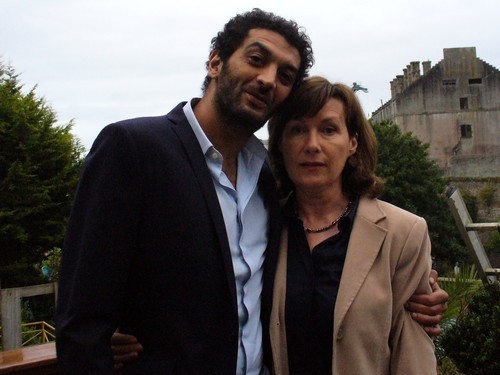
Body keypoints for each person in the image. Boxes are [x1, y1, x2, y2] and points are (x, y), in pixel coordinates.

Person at [56, 8, 447, 374]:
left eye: (285, 76)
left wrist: (420, 292)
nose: (267, 79)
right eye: (257, 59)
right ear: (215, 62)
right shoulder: (134, 149)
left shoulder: (266, 186)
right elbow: (82, 320)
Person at [267, 77, 437, 374]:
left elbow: (413, 356)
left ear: (353, 143)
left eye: (329, 130)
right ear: (280, 144)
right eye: (297, 130)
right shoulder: (261, 227)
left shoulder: (402, 233)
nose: (312, 145)